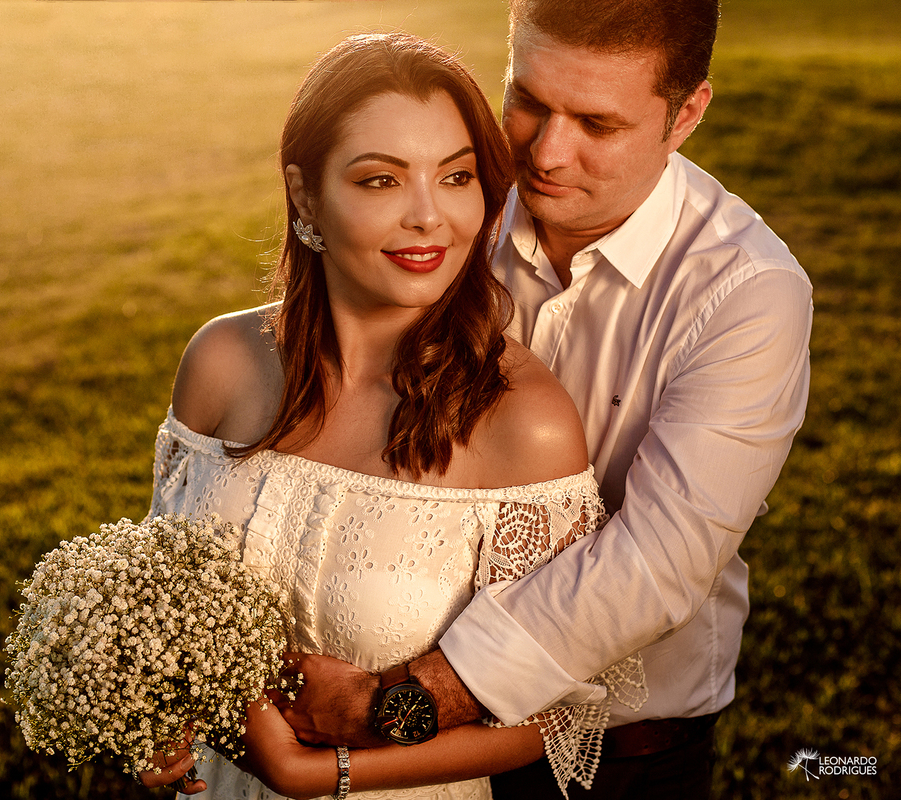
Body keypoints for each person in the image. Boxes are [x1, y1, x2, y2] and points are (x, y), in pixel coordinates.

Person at [280, 1, 813, 798]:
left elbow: (657, 563)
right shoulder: (451, 204)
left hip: (619, 750)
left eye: (598, 124)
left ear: (687, 114)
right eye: (528, 101)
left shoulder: (749, 293)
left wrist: (397, 702)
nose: (546, 153)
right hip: (365, 690)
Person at [138, 32, 645, 800]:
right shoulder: (221, 362)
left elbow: (549, 714)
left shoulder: (524, 421)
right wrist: (151, 714)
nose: (427, 217)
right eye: (380, 180)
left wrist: (319, 773)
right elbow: (157, 598)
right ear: (305, 197)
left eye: (456, 177)